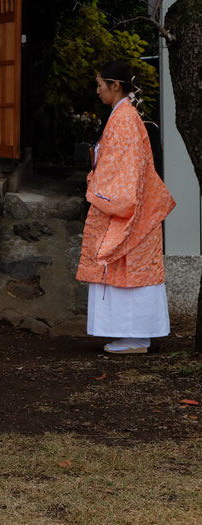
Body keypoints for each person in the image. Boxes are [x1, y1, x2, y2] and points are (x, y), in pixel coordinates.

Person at [77, 60, 175, 354]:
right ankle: (131, 335)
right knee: (125, 270)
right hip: (129, 202)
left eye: (99, 85)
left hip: (127, 206)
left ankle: (136, 337)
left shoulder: (125, 119)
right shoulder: (123, 116)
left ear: (115, 85)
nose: (97, 91)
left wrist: (100, 184)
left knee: (130, 269)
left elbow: (124, 167)